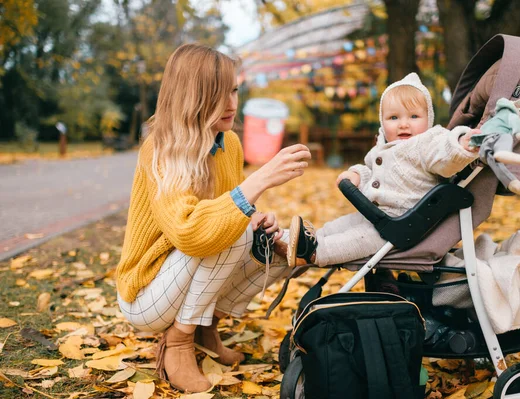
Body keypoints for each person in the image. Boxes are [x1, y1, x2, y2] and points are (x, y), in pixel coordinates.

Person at [115, 44, 310, 393]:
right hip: (146, 293)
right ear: (191, 96)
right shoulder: (160, 148)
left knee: (283, 248)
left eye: (234, 90)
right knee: (230, 231)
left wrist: (257, 221)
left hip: (186, 275)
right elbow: (190, 233)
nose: (232, 103)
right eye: (218, 94)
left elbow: (233, 210)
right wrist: (260, 180)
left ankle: (207, 329)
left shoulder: (229, 143)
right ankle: (177, 342)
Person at [285, 73, 480, 267]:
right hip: (374, 214)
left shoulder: (427, 143)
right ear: (382, 121)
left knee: (357, 239)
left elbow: (445, 158)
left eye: (414, 116)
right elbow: (371, 172)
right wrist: (357, 175)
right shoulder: (382, 148)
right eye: (394, 117)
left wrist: (461, 145)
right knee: (339, 226)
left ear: (428, 119)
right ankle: (297, 241)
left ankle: (312, 253)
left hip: (401, 224)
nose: (404, 124)